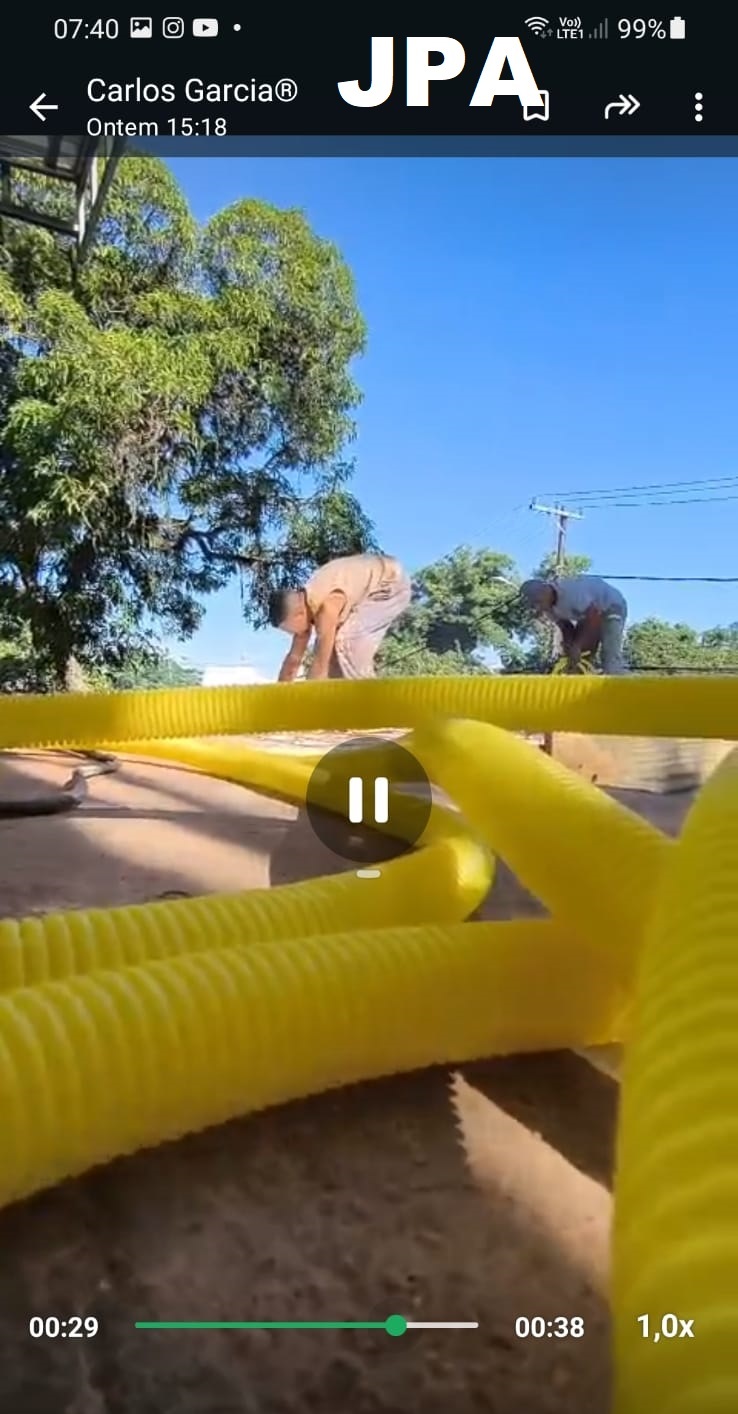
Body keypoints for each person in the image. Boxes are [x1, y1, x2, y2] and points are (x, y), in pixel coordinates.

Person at [269, 552, 412, 682]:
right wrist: (280, 695)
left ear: (298, 614)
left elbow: (320, 667)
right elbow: (293, 660)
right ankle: (343, 703)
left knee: (344, 644)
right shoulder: (305, 608)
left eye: (291, 630)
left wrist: (314, 683)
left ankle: (368, 700)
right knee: (333, 657)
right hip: (373, 586)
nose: (294, 635)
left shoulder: (324, 604)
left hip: (390, 583)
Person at [519, 574, 628, 674]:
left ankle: (621, 680)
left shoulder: (572, 592)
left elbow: (594, 618)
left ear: (545, 590)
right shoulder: (548, 608)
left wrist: (577, 645)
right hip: (587, 614)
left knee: (609, 656)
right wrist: (570, 647)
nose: (538, 608)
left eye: (538, 602)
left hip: (611, 606)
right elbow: (566, 627)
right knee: (578, 659)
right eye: (533, 605)